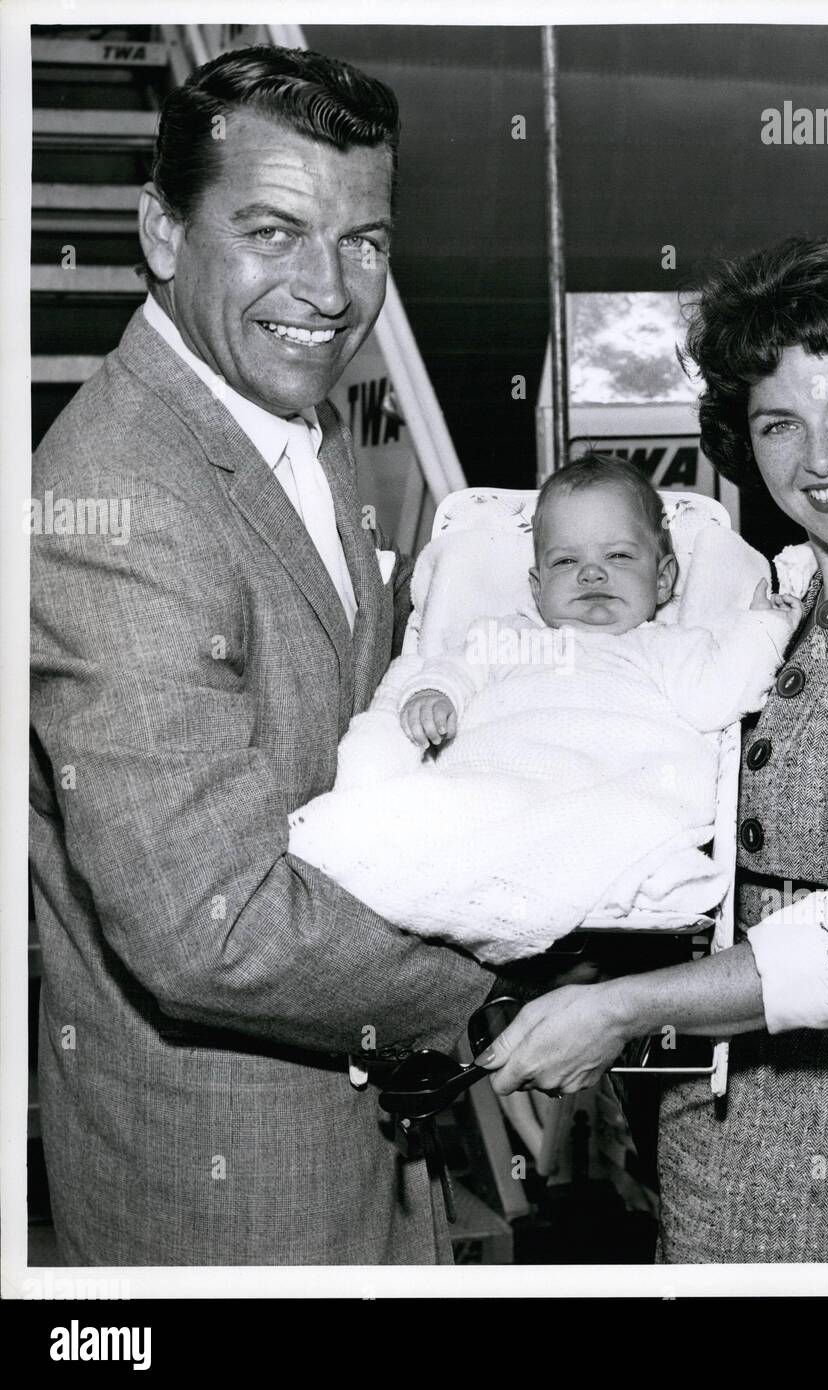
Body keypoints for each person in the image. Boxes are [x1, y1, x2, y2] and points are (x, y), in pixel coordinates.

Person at [29, 45, 497, 1266]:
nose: (331, 290)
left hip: (365, 1154)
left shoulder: (291, 411)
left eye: (364, 241)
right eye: (275, 231)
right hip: (225, 1200)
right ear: (162, 231)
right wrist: (501, 966)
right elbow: (210, 923)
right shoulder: (119, 500)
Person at [475, 236, 828, 1263]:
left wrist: (622, 1008)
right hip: (686, 1137)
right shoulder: (792, 590)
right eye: (779, 424)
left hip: (824, 1168)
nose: (820, 460)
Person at [287, 455, 801, 963]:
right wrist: (433, 696)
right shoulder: (505, 636)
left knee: (623, 820)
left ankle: (568, 873)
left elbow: (721, 692)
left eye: (620, 557)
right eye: (565, 561)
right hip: (495, 783)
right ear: (537, 588)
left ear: (664, 579)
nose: (592, 574)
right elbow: (450, 668)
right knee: (437, 805)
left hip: (605, 792)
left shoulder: (669, 647)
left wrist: (762, 628)